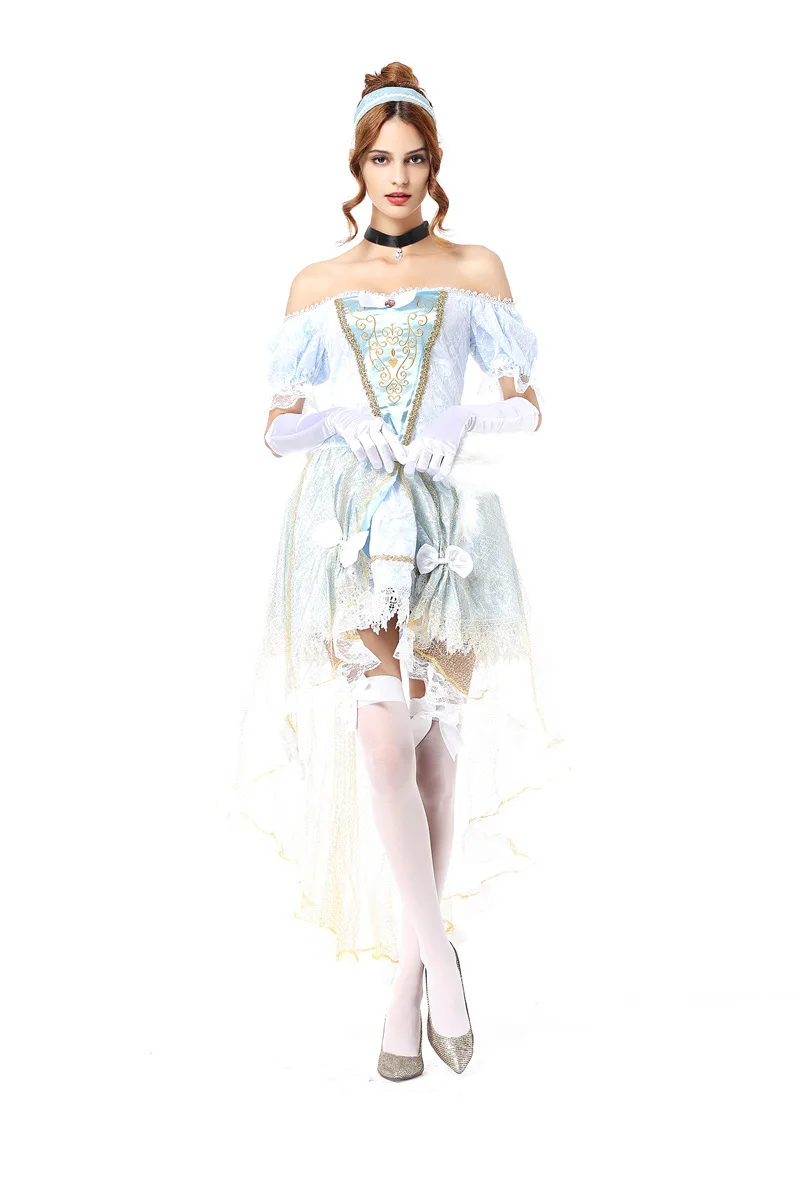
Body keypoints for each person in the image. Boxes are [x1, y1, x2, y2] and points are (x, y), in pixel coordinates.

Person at [234, 62, 564, 1081]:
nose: (398, 176)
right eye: (381, 158)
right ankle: (444, 966)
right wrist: (334, 417)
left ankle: (407, 983)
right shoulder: (316, 283)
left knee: (436, 765)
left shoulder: (474, 267)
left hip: (450, 526)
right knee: (382, 741)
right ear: (358, 166)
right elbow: (275, 430)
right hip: (350, 527)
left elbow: (528, 405)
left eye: (414, 158)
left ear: (434, 165)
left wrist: (465, 414)